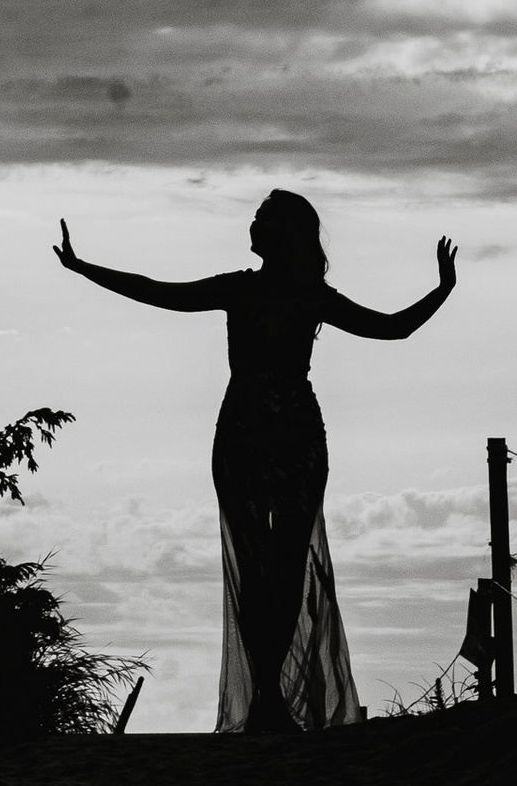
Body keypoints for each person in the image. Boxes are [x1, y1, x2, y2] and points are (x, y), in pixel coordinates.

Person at [55, 191, 458, 736]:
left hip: (288, 437)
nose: (252, 223)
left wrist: (441, 290)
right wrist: (82, 268)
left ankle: (270, 696)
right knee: (256, 566)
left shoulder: (304, 295)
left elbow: (391, 328)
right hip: (249, 434)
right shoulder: (245, 289)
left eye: (263, 218)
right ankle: (268, 696)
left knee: (285, 567)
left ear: (282, 232)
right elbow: (157, 293)